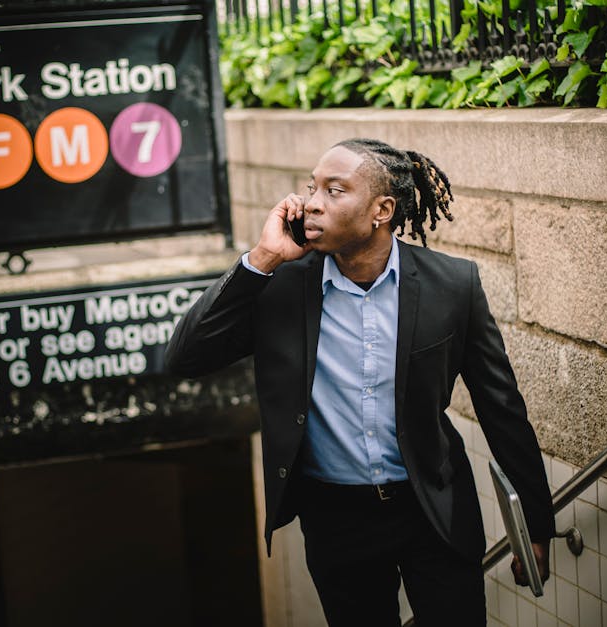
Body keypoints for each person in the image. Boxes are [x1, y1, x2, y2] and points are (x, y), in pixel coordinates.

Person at [164, 138, 555, 626]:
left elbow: (501, 408)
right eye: (311, 188)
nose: (311, 203)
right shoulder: (280, 287)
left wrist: (535, 526)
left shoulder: (453, 286)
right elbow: (185, 356)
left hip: (433, 509)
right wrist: (262, 258)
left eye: (334, 190)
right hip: (335, 520)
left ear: (382, 210)